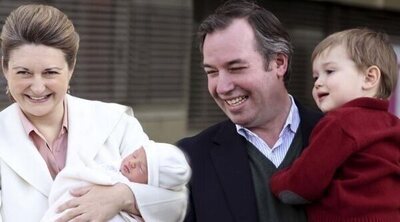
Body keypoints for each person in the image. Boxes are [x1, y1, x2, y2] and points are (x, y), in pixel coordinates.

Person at [0, 4, 187, 222]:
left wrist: (122, 196)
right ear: (5, 69)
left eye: (50, 72)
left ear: (71, 68)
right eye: (24, 73)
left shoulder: (115, 123)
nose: (38, 87)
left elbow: (176, 200)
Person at [176, 1, 323, 221]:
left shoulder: (347, 139)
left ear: (279, 62)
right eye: (212, 72)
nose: (222, 87)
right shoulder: (189, 160)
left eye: (236, 68)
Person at [270, 28, 400, 221]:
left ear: (369, 77)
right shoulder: (393, 125)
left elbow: (303, 184)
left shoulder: (340, 122)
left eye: (329, 71)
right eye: (316, 77)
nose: (318, 83)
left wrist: (276, 181)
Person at [42, 141, 191, 221]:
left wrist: (123, 194)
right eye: (134, 155)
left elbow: (176, 200)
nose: (132, 162)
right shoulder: (108, 168)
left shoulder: (121, 121)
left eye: (141, 168)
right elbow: (72, 179)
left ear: (151, 185)